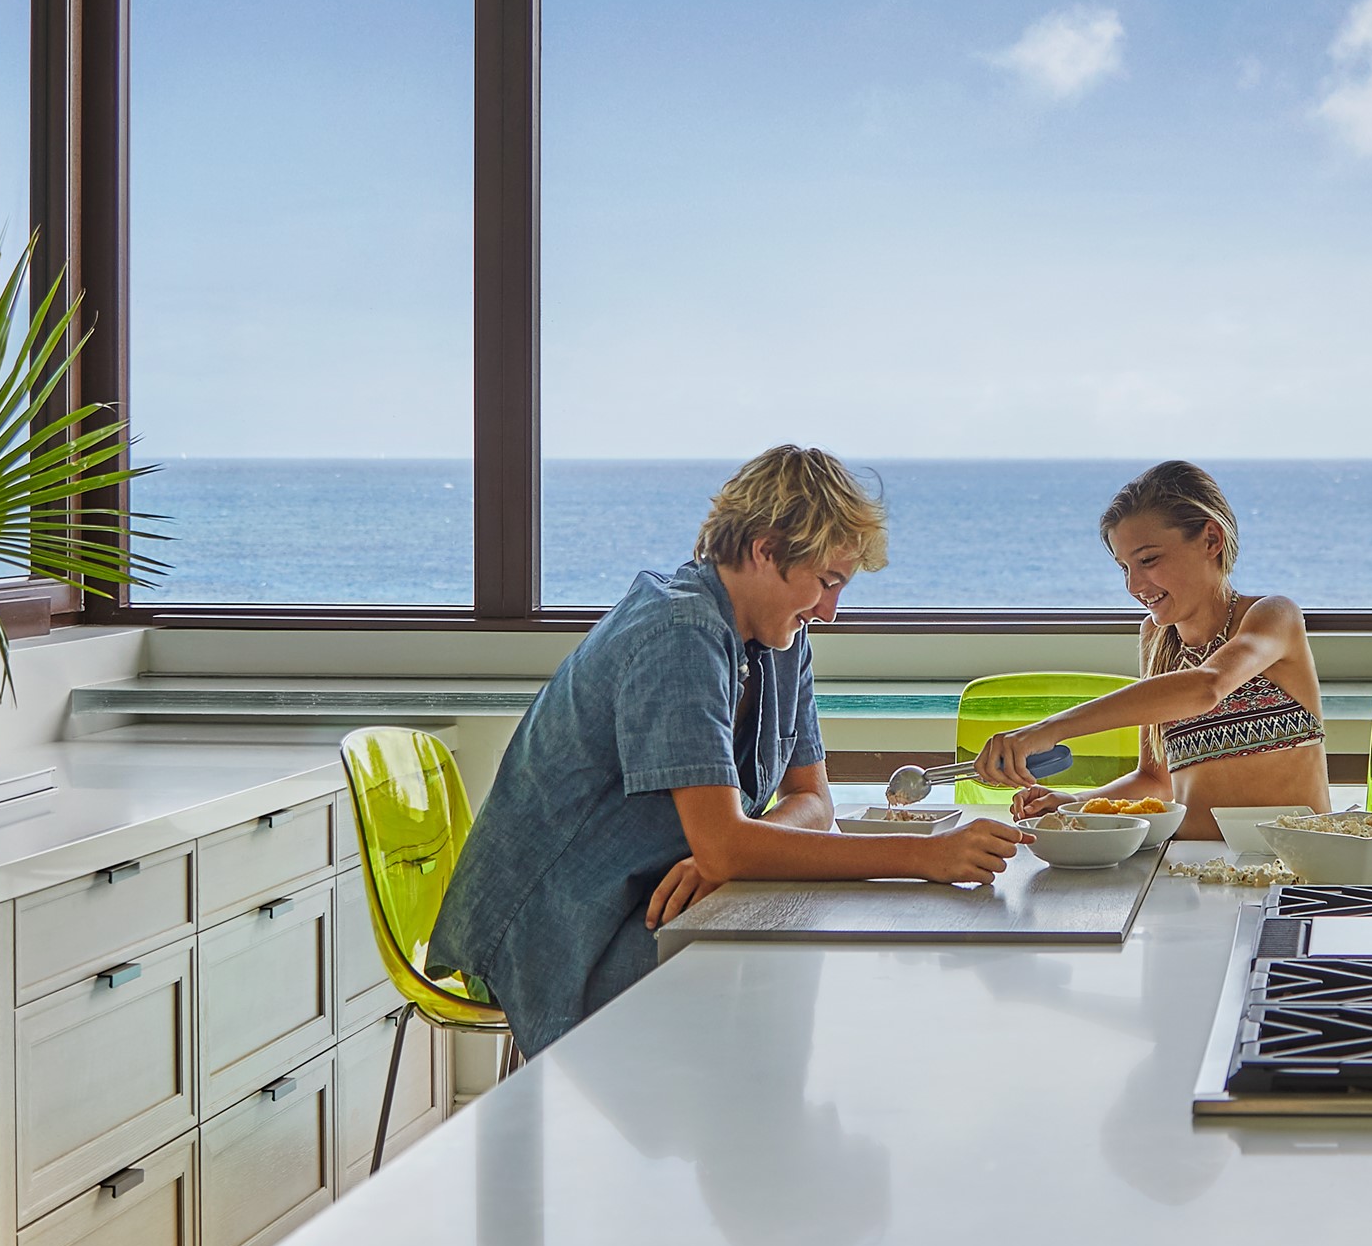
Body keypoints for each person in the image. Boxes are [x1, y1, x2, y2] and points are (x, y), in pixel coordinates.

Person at [430, 445, 1024, 1055]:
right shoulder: (678, 633)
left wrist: (730, 852)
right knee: (785, 988)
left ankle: (751, 1139)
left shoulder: (782, 636)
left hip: (653, 901)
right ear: (765, 550)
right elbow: (728, 843)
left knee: (800, 979)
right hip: (558, 934)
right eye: (826, 582)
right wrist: (924, 854)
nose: (830, 610)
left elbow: (813, 799)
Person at [974, 461, 1327, 842]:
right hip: (1189, 869)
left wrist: (1049, 730)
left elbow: (1206, 688)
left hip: (1295, 864)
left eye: (1148, 560)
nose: (1134, 584)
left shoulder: (1272, 616)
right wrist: (1075, 803)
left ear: (1211, 540)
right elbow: (1155, 780)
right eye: (1124, 567)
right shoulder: (1156, 639)